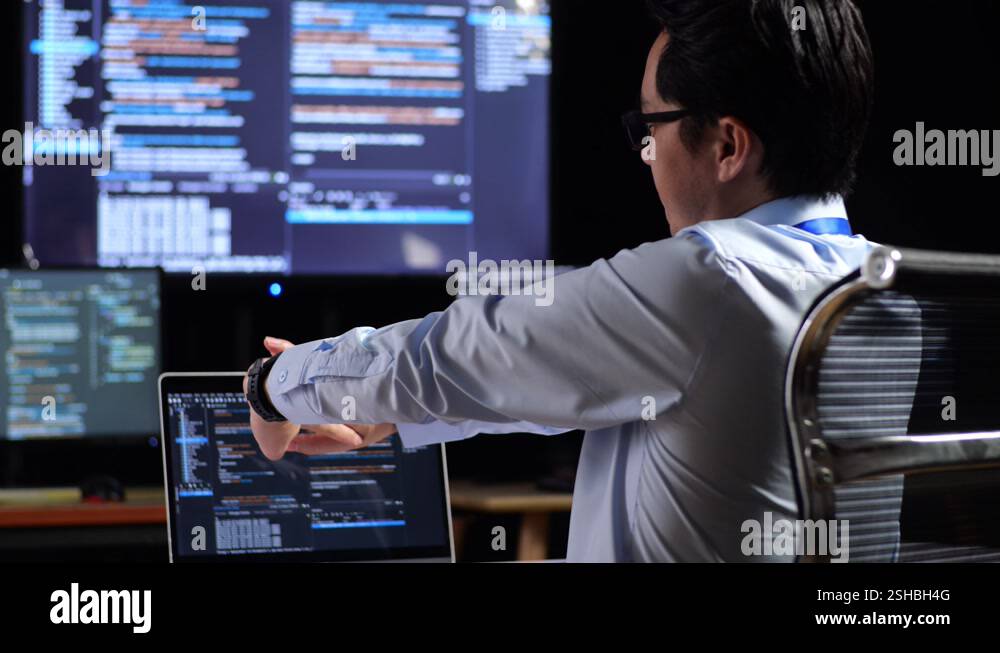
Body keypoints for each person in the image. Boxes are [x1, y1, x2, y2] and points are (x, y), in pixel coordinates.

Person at [242, 0, 876, 562]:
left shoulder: (709, 279)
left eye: (648, 129)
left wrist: (274, 387)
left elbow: (445, 357)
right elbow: (563, 376)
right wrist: (385, 419)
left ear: (728, 146)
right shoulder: (885, 286)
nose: (645, 157)